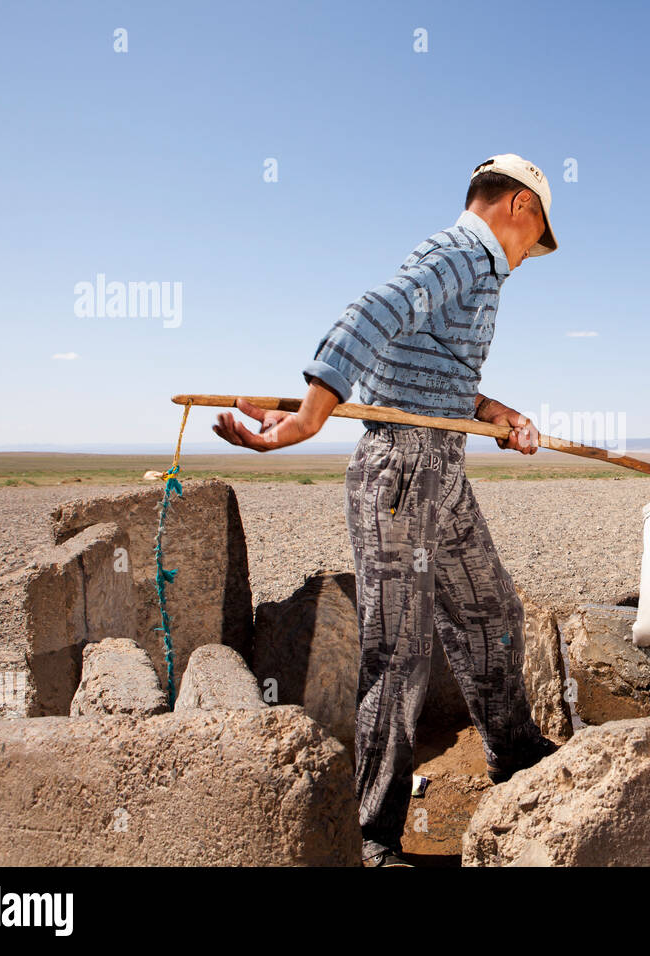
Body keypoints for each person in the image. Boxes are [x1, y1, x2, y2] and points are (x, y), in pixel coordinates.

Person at [212, 154, 561, 866]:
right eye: (537, 239)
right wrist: (309, 415)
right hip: (400, 470)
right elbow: (369, 314)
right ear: (520, 207)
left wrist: (499, 413)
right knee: (398, 653)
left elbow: (422, 373)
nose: (529, 257)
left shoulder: (472, 270)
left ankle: (515, 753)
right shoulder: (465, 250)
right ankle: (372, 834)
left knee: (491, 610)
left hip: (441, 465)